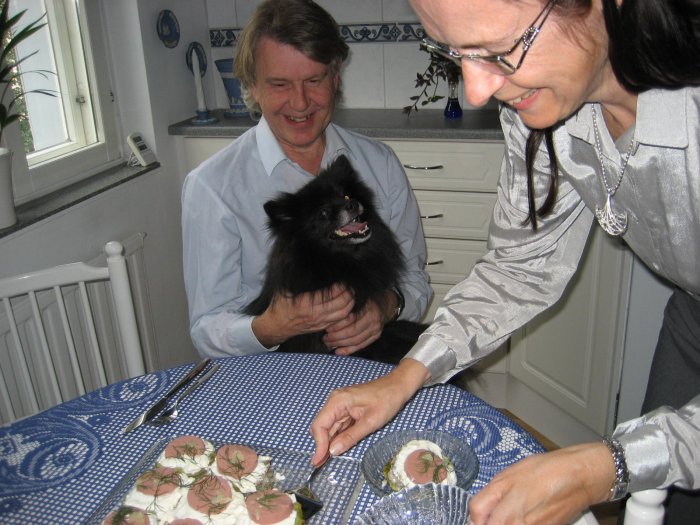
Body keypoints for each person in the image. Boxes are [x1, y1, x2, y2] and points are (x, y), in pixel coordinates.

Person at [309, 0, 700, 523]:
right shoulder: (541, 107)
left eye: (499, 50)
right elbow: (520, 268)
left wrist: (607, 465)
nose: (477, 91)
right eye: (455, 54)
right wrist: (403, 378)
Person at [181, 0, 431, 360]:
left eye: (314, 80)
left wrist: (387, 306)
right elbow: (206, 330)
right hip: (270, 369)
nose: (300, 103)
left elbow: (413, 277)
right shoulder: (212, 187)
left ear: (336, 76)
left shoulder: (380, 163)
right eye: (280, 84)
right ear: (252, 85)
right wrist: (271, 326)